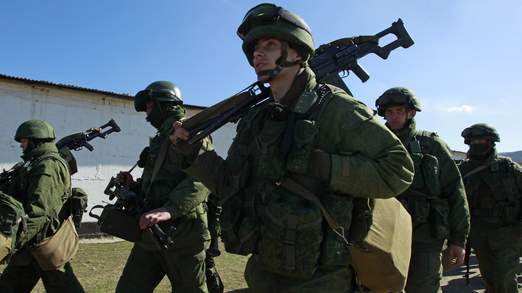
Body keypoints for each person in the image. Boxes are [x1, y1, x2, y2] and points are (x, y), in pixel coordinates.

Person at [170, 4, 415, 292]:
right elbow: (230, 183)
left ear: (297, 52)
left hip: (322, 280)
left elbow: (398, 169)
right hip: (264, 271)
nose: (257, 54)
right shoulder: (257, 119)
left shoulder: (336, 109)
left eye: (270, 45)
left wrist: (323, 166)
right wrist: (194, 154)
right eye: (254, 49)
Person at [115, 81, 211, 293]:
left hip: (184, 235)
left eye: (149, 106)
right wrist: (135, 186)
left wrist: (168, 210)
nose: (147, 114)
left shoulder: (188, 130)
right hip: (151, 233)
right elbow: (158, 183)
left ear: (163, 103)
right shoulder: (160, 139)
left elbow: (202, 180)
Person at [375, 87, 470, 292]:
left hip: (426, 235)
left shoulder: (431, 145)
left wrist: (458, 240)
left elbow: (455, 191)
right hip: (384, 234)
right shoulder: (375, 144)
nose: (394, 116)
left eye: (399, 111)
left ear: (411, 113)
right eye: (389, 112)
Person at [0, 119, 84, 293]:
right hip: (29, 248)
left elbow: (39, 212)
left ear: (34, 140)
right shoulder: (32, 164)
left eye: (23, 141)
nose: (21, 146)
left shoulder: (49, 165)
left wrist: (10, 242)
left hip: (46, 245)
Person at [459, 123, 522, 293]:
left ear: (492, 142)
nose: (478, 143)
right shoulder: (462, 171)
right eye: (474, 140)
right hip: (479, 233)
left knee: (504, 276)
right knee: (489, 277)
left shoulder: (509, 168)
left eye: (482, 140)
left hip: (507, 233)